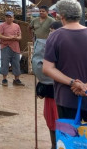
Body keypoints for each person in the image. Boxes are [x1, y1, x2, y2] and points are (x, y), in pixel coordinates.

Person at [43, 0, 87, 125]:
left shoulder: (54, 37)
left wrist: (73, 83)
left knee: (69, 139)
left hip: (66, 99)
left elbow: (47, 68)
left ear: (62, 16)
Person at [32, 21, 62, 149]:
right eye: (50, 30)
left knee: (59, 120)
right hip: (50, 91)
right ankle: (54, 144)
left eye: (53, 30)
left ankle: (59, 144)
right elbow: (38, 66)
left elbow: (42, 68)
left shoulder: (61, 46)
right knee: (50, 119)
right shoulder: (46, 45)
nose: (50, 33)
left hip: (61, 91)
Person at [0, 11, 24, 86]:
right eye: (7, 17)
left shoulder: (17, 26)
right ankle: (4, 79)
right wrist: (9, 38)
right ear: (5, 18)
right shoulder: (1, 26)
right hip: (5, 47)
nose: (9, 18)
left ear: (13, 18)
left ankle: (17, 79)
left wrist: (16, 38)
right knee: (4, 63)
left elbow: (20, 37)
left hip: (15, 47)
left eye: (10, 17)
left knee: (16, 63)